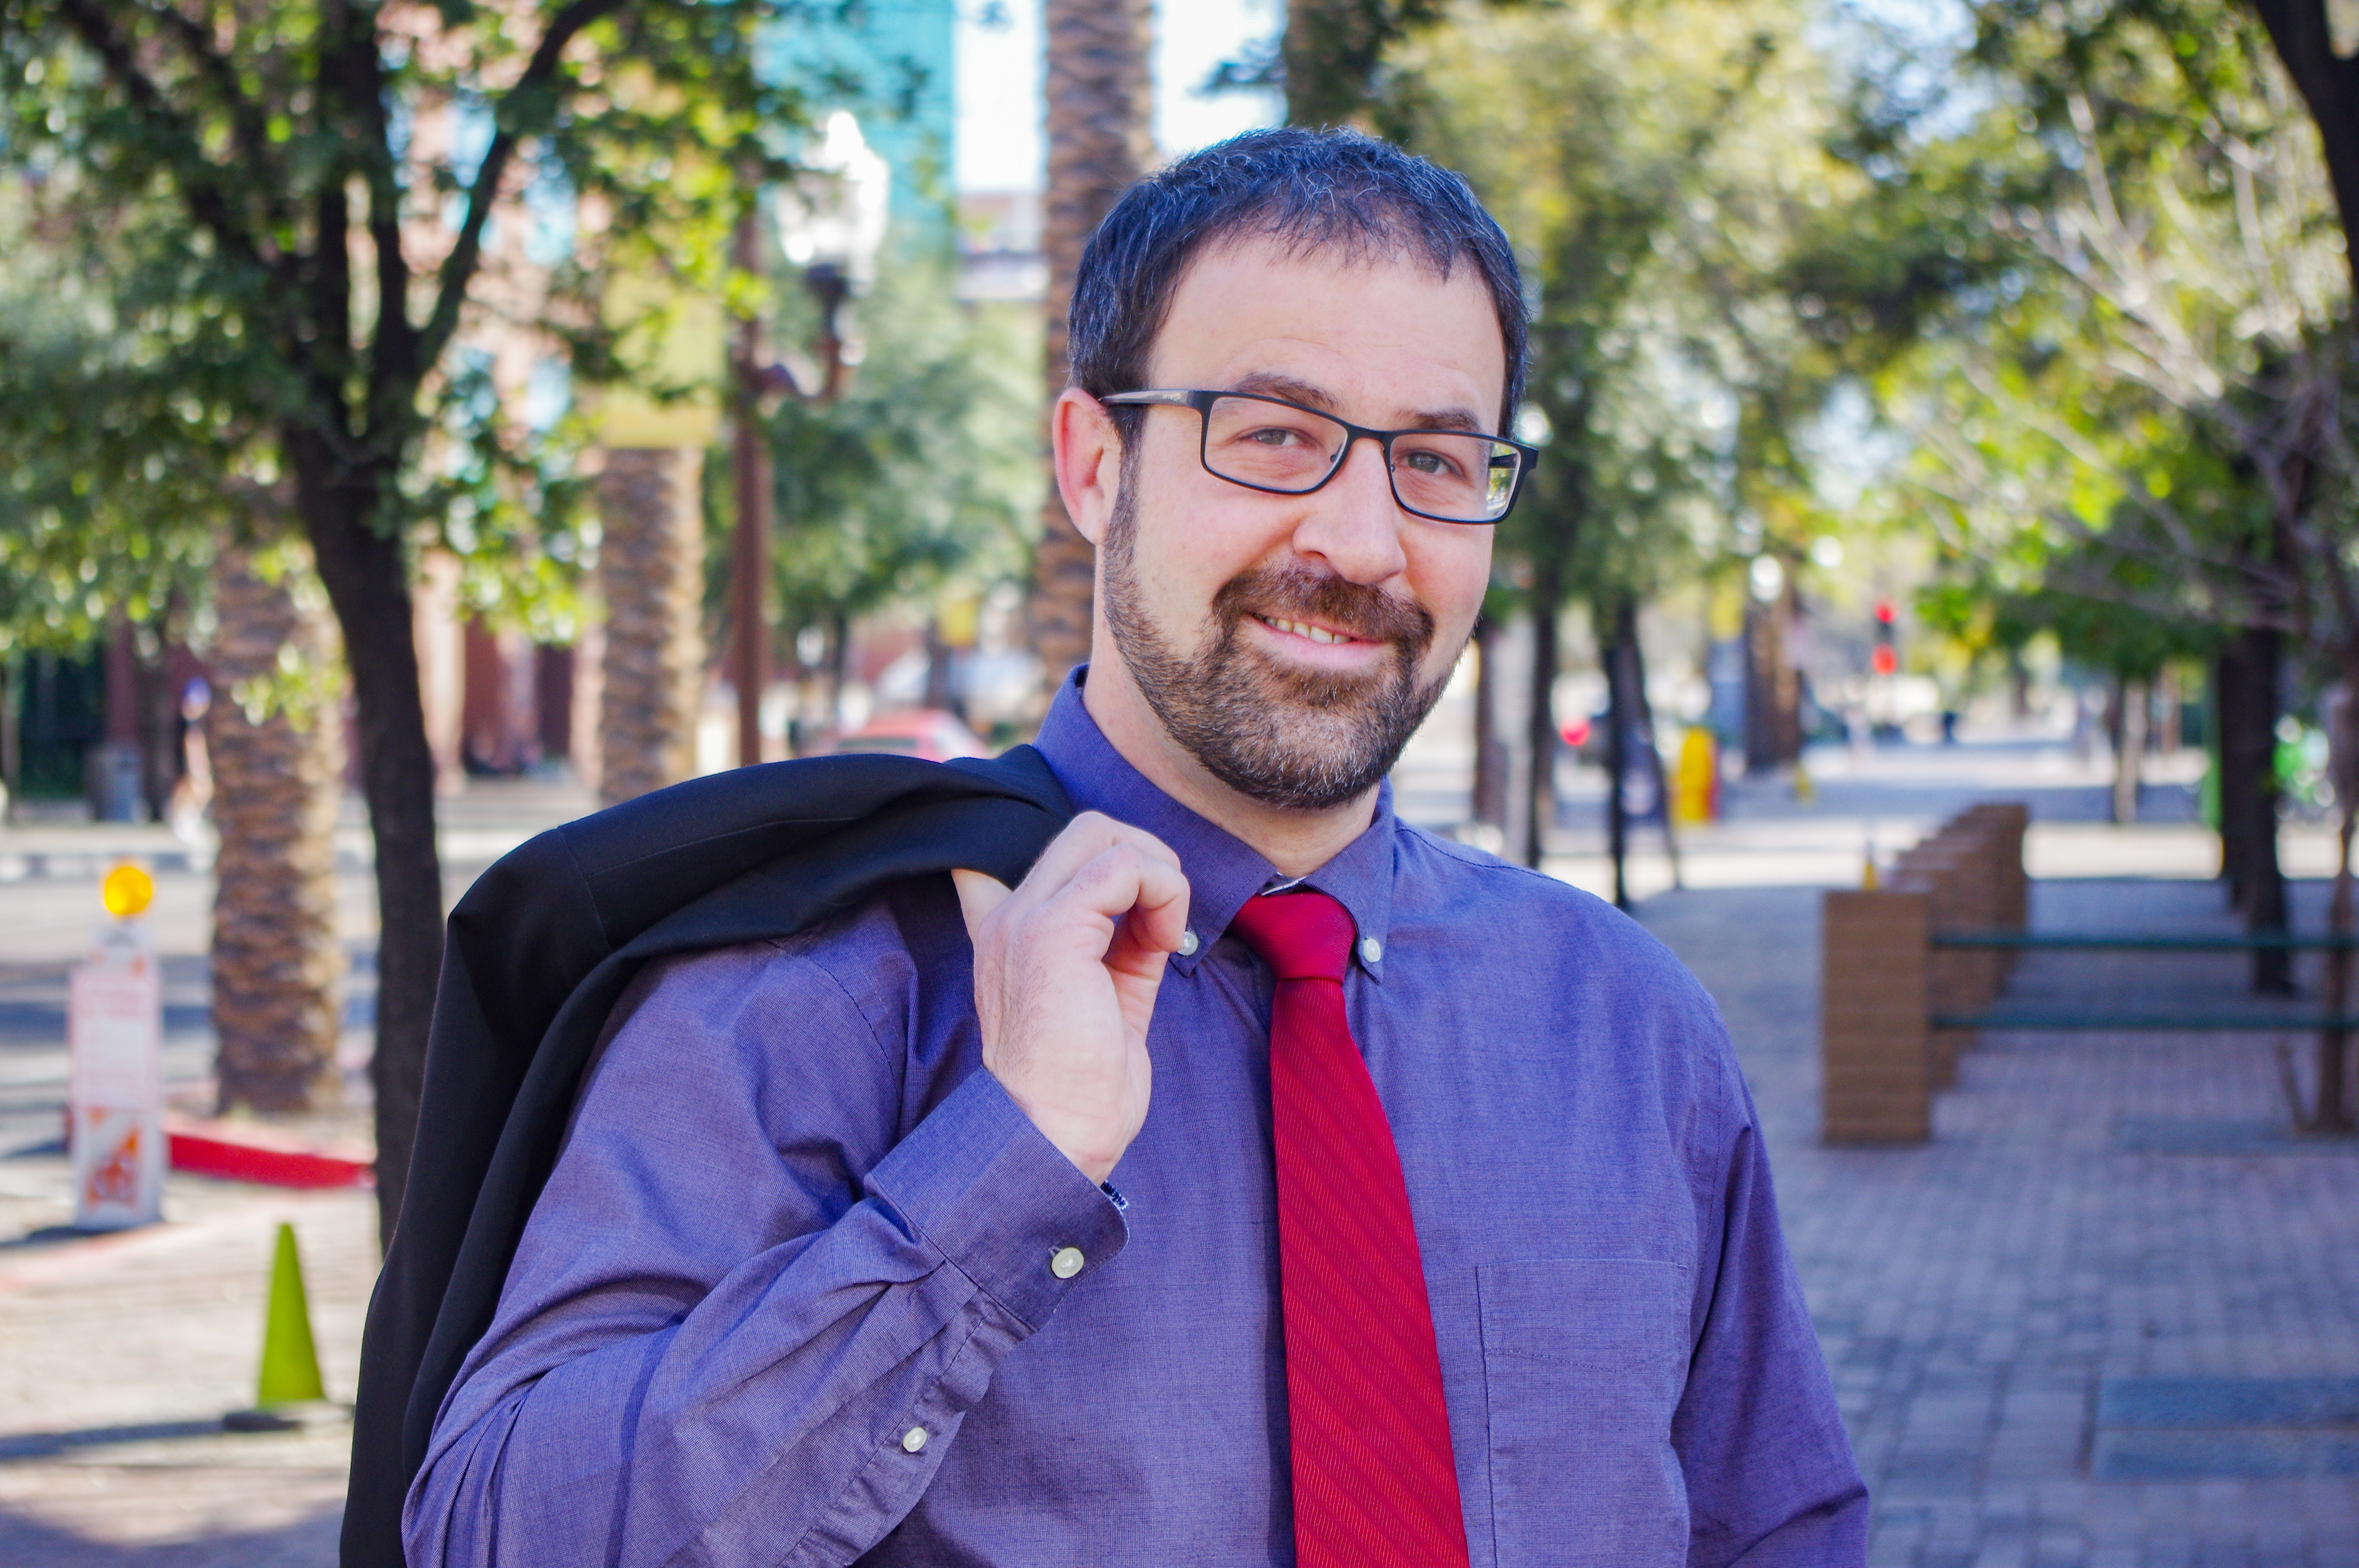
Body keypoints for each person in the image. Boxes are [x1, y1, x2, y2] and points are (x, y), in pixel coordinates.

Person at [406, 127, 1866, 1568]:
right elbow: (489, 1536)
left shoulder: (1629, 1026)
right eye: (1276, 433)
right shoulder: (808, 994)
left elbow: (1778, 1527)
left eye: (1434, 458)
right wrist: (1002, 1166)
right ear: (1095, 464)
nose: (1364, 542)